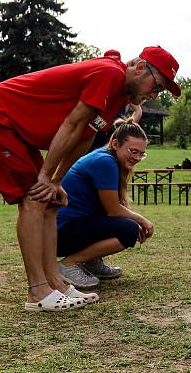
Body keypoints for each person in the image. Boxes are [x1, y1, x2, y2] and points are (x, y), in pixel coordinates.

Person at [0, 46, 181, 312]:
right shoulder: (109, 74)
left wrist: (56, 181)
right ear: (139, 68)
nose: (154, 94)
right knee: (35, 199)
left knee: (50, 201)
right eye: (157, 85)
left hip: (15, 129)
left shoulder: (117, 96)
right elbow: (72, 124)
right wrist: (45, 177)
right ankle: (38, 292)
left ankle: (55, 283)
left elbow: (85, 137)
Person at [56, 119, 155, 290]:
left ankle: (91, 262)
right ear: (116, 144)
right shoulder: (105, 161)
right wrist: (142, 221)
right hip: (59, 234)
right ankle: (68, 264)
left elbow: (112, 208)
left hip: (69, 228)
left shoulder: (109, 158)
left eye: (141, 153)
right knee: (129, 230)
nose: (137, 158)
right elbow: (113, 210)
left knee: (126, 225)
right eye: (133, 151)